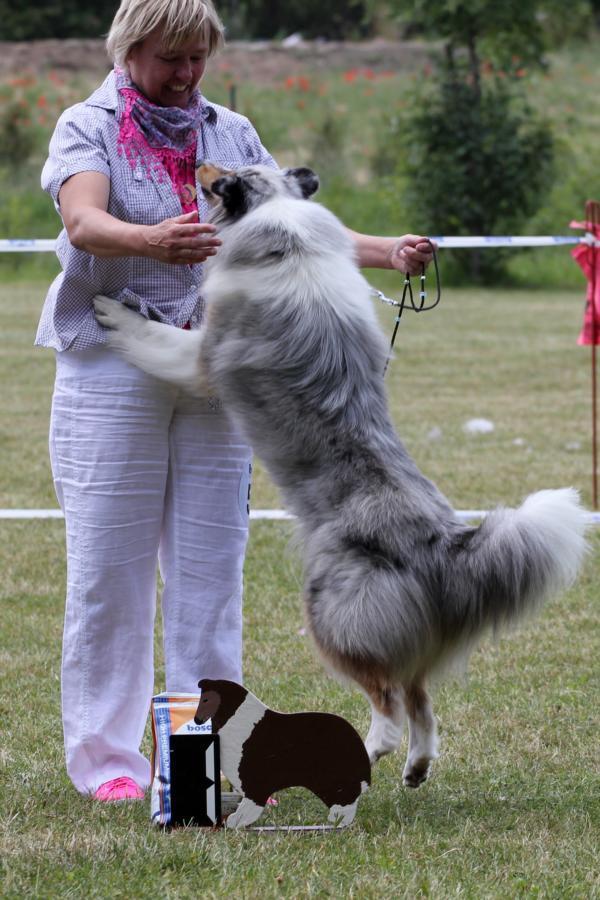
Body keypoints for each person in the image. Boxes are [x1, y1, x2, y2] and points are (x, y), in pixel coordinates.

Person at [37, 0, 436, 802]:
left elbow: (294, 222)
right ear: (129, 50)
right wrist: (148, 239)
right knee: (108, 581)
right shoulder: (91, 125)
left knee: (209, 579)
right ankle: (111, 765)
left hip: (221, 373)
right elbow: (81, 221)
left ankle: (193, 769)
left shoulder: (232, 131)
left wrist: (386, 250)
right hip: (114, 368)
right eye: (169, 59)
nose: (186, 75)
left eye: (197, 58)